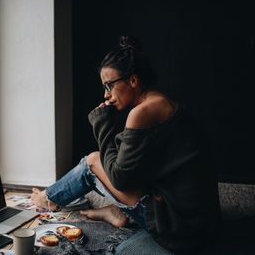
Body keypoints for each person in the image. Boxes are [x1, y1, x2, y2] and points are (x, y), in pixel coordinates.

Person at [31, 36, 221, 254]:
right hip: (199, 221)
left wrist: (102, 125)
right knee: (106, 163)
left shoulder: (142, 113)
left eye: (109, 85)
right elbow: (132, 164)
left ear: (133, 81)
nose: (106, 94)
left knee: (92, 162)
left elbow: (120, 178)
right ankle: (117, 211)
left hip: (178, 227)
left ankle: (48, 199)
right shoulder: (161, 102)